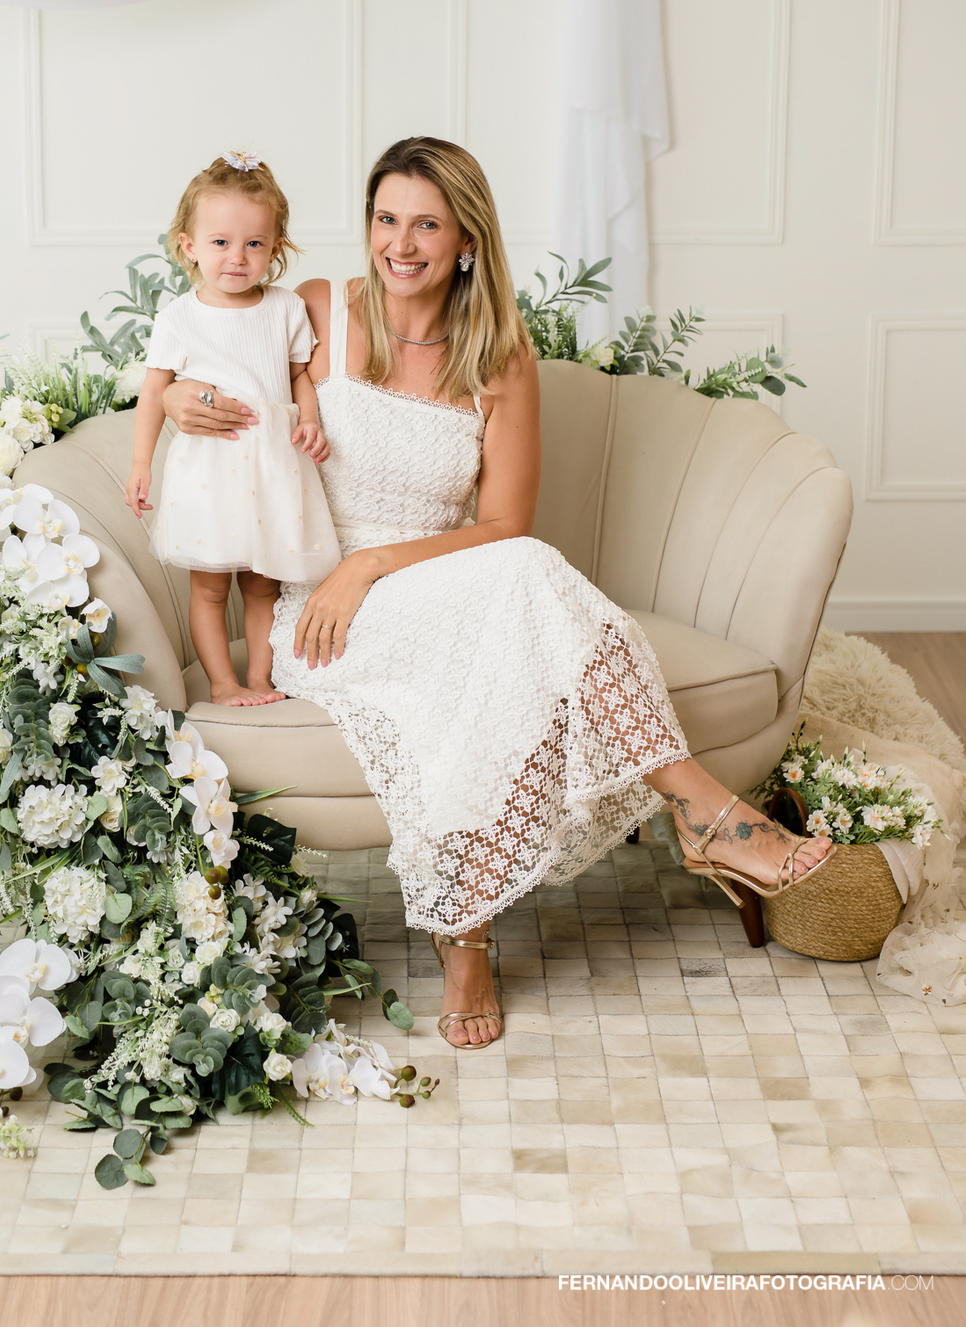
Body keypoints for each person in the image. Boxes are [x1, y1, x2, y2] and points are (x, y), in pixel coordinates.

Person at [156, 137, 835, 1047]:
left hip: (433, 584)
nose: (401, 243)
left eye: (426, 224)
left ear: (467, 240)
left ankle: (463, 928)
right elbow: (209, 338)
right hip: (318, 613)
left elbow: (505, 525)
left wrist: (378, 563)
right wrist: (169, 405)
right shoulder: (318, 311)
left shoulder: (500, 359)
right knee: (527, 591)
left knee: (519, 584)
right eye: (386, 219)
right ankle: (704, 813)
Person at [124, 152, 340, 707]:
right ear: (188, 245)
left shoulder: (286, 308)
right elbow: (154, 393)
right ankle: (223, 682)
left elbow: (298, 379)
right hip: (211, 466)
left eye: (254, 244)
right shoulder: (179, 317)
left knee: (263, 582)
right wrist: (141, 464)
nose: (238, 258)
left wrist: (310, 421)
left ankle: (263, 679)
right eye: (220, 242)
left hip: (273, 464)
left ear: (276, 247)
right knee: (211, 585)